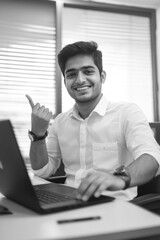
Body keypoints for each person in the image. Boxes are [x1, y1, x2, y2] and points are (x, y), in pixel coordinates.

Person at [26, 41, 160, 202]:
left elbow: (152, 156)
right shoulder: (61, 122)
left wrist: (120, 178)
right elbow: (42, 171)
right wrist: (38, 134)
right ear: (65, 82)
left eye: (88, 71)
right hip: (67, 203)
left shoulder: (127, 112)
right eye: (71, 74)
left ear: (102, 76)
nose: (80, 80)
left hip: (114, 206)